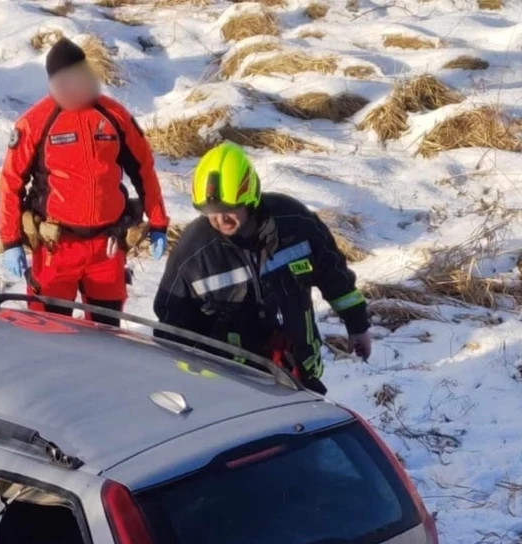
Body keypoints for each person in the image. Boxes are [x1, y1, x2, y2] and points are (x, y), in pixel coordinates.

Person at [153, 142, 370, 392]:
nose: (220, 220)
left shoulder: (295, 223)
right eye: (211, 213)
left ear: (250, 199)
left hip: (299, 372)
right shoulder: (194, 252)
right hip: (234, 384)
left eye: (229, 211)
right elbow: (172, 324)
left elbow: (334, 275)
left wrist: (357, 325)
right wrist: (201, 375)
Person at [0, 37, 168, 317]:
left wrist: (159, 221)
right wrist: (10, 241)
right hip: (57, 247)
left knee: (106, 337)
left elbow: (143, 169)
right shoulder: (36, 122)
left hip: (107, 247)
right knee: (47, 333)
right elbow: (11, 182)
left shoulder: (114, 116)